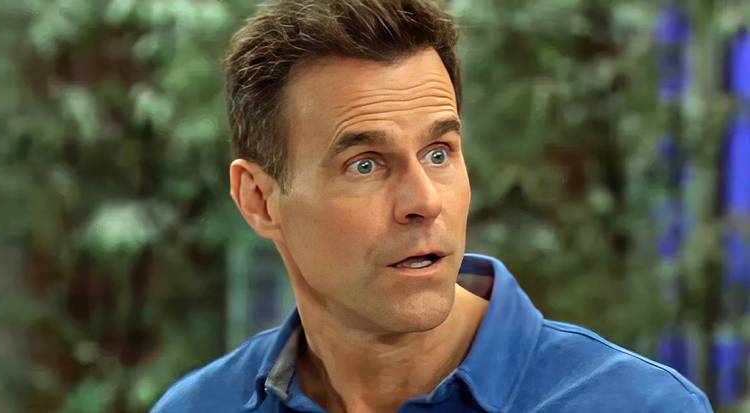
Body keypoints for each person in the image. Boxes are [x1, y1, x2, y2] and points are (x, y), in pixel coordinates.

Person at [152, 0, 712, 411]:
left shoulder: (637, 403)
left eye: (438, 153)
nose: (424, 201)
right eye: (365, 164)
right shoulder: (198, 407)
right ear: (259, 200)